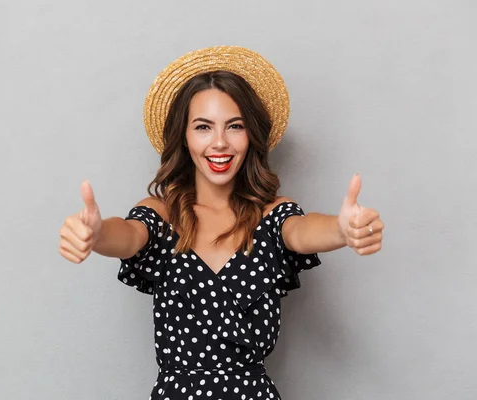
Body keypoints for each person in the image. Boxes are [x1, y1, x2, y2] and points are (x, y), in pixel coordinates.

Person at [58, 46, 384, 400]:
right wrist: (96, 233)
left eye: (235, 126)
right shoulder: (162, 214)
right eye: (203, 127)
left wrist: (342, 229)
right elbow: (128, 236)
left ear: (251, 136)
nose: (219, 142)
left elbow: (303, 232)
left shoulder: (271, 217)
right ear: (183, 136)